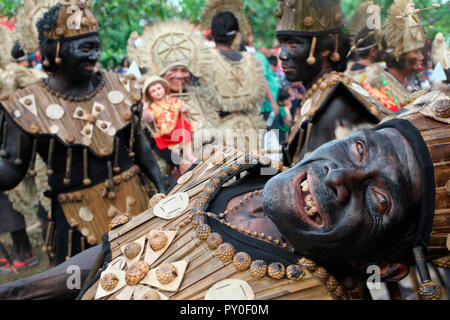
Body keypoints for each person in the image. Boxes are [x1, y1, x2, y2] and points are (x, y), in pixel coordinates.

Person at [1, 89, 448, 301]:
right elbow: (114, 253)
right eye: (360, 146)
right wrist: (18, 293)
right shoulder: (228, 168)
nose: (341, 176)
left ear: (388, 267)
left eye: (380, 200)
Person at [0, 0, 167, 266]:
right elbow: (9, 173)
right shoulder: (27, 105)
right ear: (56, 49)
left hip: (138, 208)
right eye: (85, 48)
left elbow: (139, 146)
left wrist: (162, 188)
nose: (94, 56)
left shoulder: (120, 86)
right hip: (76, 224)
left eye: (96, 47)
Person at [276, 0, 391, 166]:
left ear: (325, 48)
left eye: (293, 45)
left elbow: (314, 180)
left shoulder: (336, 102)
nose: (282, 55)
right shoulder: (322, 91)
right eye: (282, 44)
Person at [142, 76, 196, 173]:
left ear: (164, 88)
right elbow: (148, 119)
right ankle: (178, 158)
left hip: (179, 129)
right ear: (149, 95)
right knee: (161, 142)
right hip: (165, 133)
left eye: (159, 88)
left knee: (184, 132)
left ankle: (190, 156)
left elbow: (186, 109)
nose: (157, 92)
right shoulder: (153, 108)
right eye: (153, 91)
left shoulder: (173, 100)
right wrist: (145, 110)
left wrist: (185, 108)